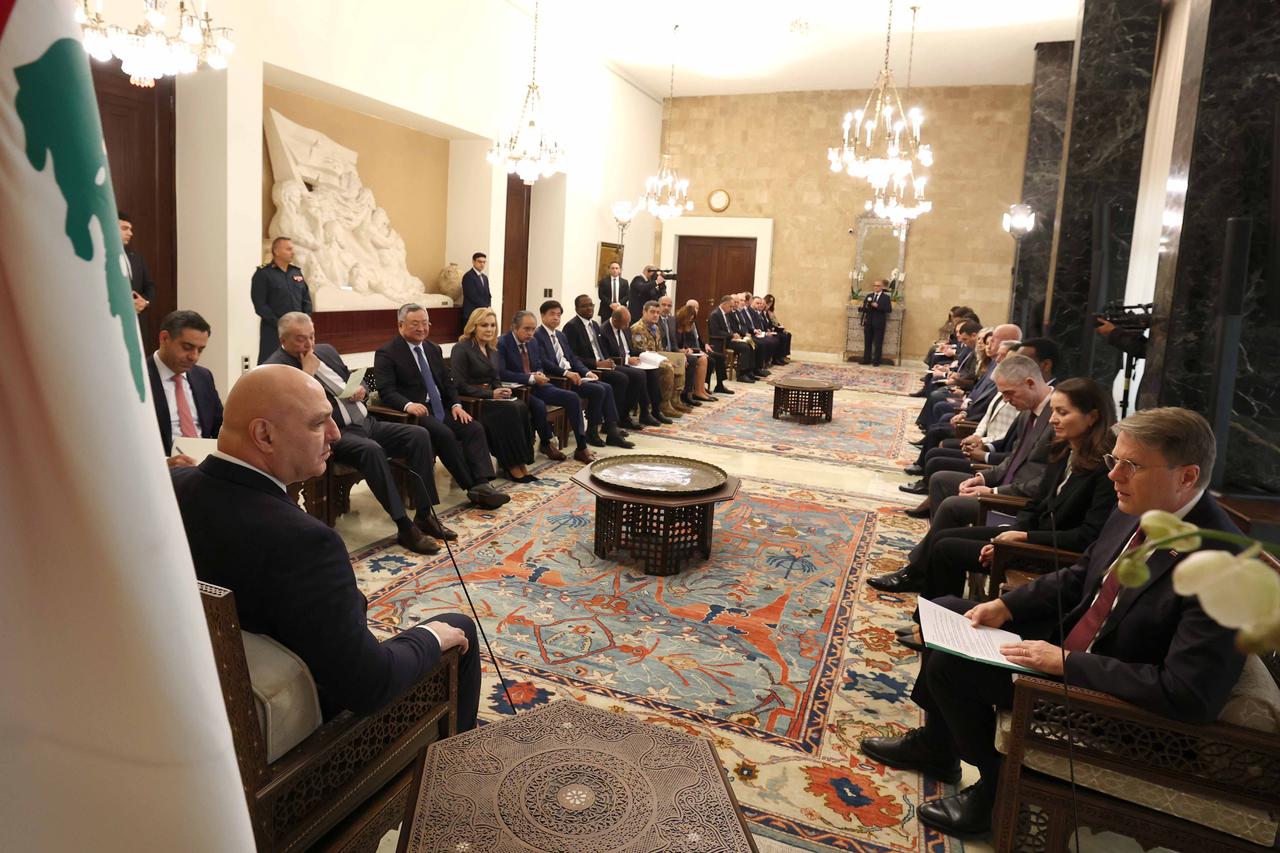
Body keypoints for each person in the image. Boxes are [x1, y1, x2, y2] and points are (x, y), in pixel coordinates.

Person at [861, 407, 1246, 837]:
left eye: (1130, 465)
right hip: (1070, 643)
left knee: (953, 668)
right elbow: (1085, 574)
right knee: (951, 612)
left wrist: (1065, 663)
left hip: (1114, 703)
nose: (1114, 475)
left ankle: (997, 786)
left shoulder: (1224, 570)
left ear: (1187, 477)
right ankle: (937, 747)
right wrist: (1009, 607)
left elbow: (1188, 695)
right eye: (1113, 461)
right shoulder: (1139, 504)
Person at [170, 365, 481, 727]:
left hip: (204, 690)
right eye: (319, 423)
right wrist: (429, 636)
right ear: (264, 435)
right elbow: (369, 686)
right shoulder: (306, 542)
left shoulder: (171, 486)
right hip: (308, 727)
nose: (335, 434)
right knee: (457, 627)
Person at [265, 313, 464, 555]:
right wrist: (306, 373)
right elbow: (290, 411)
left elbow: (356, 381)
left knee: (419, 434)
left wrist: (361, 390)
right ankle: (404, 526)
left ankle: (424, 514)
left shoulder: (326, 351)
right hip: (332, 435)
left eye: (312, 336)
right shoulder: (276, 368)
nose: (309, 345)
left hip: (366, 423)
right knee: (372, 450)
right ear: (283, 340)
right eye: (300, 339)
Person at [875, 355, 1058, 591]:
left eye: (1009, 394)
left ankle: (920, 570)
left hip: (1017, 502)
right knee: (942, 480)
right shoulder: (1027, 412)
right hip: (1005, 486)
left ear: (1031, 383)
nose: (1006, 400)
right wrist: (983, 478)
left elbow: (1042, 482)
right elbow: (1013, 459)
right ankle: (932, 562)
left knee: (953, 506)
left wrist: (992, 490)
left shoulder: (1055, 419)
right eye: (1002, 394)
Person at [372, 304, 513, 511]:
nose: (421, 328)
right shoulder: (387, 353)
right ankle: (472, 487)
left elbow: (448, 383)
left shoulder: (432, 349)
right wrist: (408, 405)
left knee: (473, 428)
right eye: (415, 324)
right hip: (414, 414)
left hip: (441, 408)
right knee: (445, 434)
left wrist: (456, 404)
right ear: (401, 325)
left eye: (425, 323)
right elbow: (386, 391)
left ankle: (483, 482)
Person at [450, 308, 537, 482]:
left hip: (491, 398)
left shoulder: (492, 348)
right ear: (474, 327)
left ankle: (521, 461)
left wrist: (501, 390)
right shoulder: (461, 348)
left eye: (492, 325)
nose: (489, 329)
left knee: (520, 405)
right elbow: (459, 385)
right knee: (510, 410)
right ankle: (510, 464)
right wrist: (490, 393)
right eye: (484, 325)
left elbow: (496, 378)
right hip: (474, 402)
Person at [497, 311, 596, 463]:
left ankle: (581, 447)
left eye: (533, 329)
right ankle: (546, 443)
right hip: (517, 389)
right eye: (526, 329)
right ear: (514, 328)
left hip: (537, 385)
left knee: (573, 397)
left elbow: (538, 365)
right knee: (539, 405)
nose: (531, 333)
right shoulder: (503, 342)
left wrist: (539, 374)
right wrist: (530, 377)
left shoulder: (533, 342)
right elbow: (502, 373)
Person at [534, 300, 634, 449]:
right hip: (559, 380)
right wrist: (567, 373)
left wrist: (587, 372)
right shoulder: (538, 336)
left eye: (558, 315)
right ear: (542, 316)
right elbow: (545, 362)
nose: (556, 318)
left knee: (606, 387)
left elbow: (572, 358)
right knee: (598, 390)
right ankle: (591, 433)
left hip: (573, 375)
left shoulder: (560, 335)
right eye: (552, 314)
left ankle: (611, 430)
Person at [563, 294, 653, 428]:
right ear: (576, 309)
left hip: (604, 364)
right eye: (584, 306)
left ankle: (624, 416)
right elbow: (573, 357)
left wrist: (608, 361)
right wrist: (597, 364)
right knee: (621, 379)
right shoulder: (571, 326)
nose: (589, 308)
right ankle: (612, 423)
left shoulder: (594, 324)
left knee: (638, 375)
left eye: (591, 305)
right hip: (591, 368)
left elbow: (601, 349)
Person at [147, 310, 222, 465]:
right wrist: (164, 464)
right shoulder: (139, 378)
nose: (194, 357)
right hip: (163, 472)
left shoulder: (203, 377)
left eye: (200, 350)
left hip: (204, 469)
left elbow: (220, 428)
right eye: (187, 347)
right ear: (164, 338)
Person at [601, 307, 672, 424]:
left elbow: (630, 349)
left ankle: (654, 410)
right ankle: (629, 415)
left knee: (654, 370)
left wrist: (646, 354)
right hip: (618, 364)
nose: (628, 326)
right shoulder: (604, 331)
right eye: (625, 323)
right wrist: (627, 360)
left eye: (628, 322)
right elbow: (606, 356)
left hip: (632, 360)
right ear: (615, 320)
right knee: (639, 375)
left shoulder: (625, 328)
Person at [251, 237, 312, 364]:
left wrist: (304, 321)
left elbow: (306, 299)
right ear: (277, 251)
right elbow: (260, 305)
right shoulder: (263, 273)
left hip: (299, 332)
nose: (293, 252)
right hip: (274, 331)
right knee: (271, 365)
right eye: (289, 249)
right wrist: (281, 324)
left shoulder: (296, 272)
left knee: (298, 364)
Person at [632, 301, 691, 416]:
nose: (655, 315)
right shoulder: (638, 329)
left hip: (656, 358)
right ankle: (664, 404)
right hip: (644, 361)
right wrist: (664, 360)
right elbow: (640, 351)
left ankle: (675, 399)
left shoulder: (656, 327)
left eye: (657, 313)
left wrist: (669, 358)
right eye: (652, 312)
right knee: (668, 367)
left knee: (680, 361)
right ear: (644, 312)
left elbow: (660, 349)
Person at [658, 295, 712, 406]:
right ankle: (684, 395)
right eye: (664, 305)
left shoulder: (673, 321)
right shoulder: (665, 321)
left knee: (699, 359)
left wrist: (682, 352)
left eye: (669, 305)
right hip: (663, 353)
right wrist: (680, 354)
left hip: (674, 351)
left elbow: (677, 343)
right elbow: (669, 344)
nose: (666, 308)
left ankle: (691, 393)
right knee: (692, 360)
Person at [676, 300, 730, 395]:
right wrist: (698, 350)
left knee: (720, 357)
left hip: (700, 348)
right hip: (693, 349)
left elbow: (699, 338)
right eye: (693, 308)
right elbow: (685, 343)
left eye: (697, 308)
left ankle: (719, 385)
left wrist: (705, 344)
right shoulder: (683, 321)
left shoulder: (694, 322)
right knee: (711, 360)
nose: (695, 310)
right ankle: (700, 386)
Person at [707, 295, 757, 382]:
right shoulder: (715, 314)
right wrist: (731, 335)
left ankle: (748, 370)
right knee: (744, 347)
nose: (731, 309)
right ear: (724, 304)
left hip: (728, 339)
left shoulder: (725, 314)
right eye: (730, 306)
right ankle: (741, 374)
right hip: (720, 342)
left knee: (750, 344)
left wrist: (734, 335)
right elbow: (716, 332)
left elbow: (728, 329)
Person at [118, 211, 155, 318]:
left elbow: (150, 286)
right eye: (125, 229)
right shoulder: (102, 258)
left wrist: (145, 302)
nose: (130, 233)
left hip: (138, 321)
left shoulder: (137, 258)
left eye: (130, 229)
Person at [859, 279, 892, 365]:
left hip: (879, 323)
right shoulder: (869, 296)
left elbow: (889, 309)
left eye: (878, 286)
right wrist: (862, 308)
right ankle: (866, 359)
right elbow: (865, 307)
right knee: (867, 342)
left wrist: (878, 306)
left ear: (882, 287)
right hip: (869, 322)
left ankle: (876, 361)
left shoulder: (886, 298)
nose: (876, 287)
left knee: (878, 343)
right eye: (874, 285)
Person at [751, 295, 790, 363]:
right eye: (759, 304)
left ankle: (778, 357)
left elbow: (769, 324)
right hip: (758, 333)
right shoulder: (755, 313)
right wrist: (766, 332)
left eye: (761, 304)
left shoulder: (764, 313)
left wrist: (770, 329)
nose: (761, 305)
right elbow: (756, 325)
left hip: (764, 331)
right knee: (774, 339)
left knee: (784, 335)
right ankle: (767, 360)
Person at [460, 252, 491, 323]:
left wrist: (488, 307)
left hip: (483, 314)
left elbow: (488, 295)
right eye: (479, 261)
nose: (482, 264)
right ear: (473, 262)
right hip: (471, 313)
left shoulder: (485, 277)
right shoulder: (468, 276)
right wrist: (486, 307)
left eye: (484, 262)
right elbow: (472, 296)